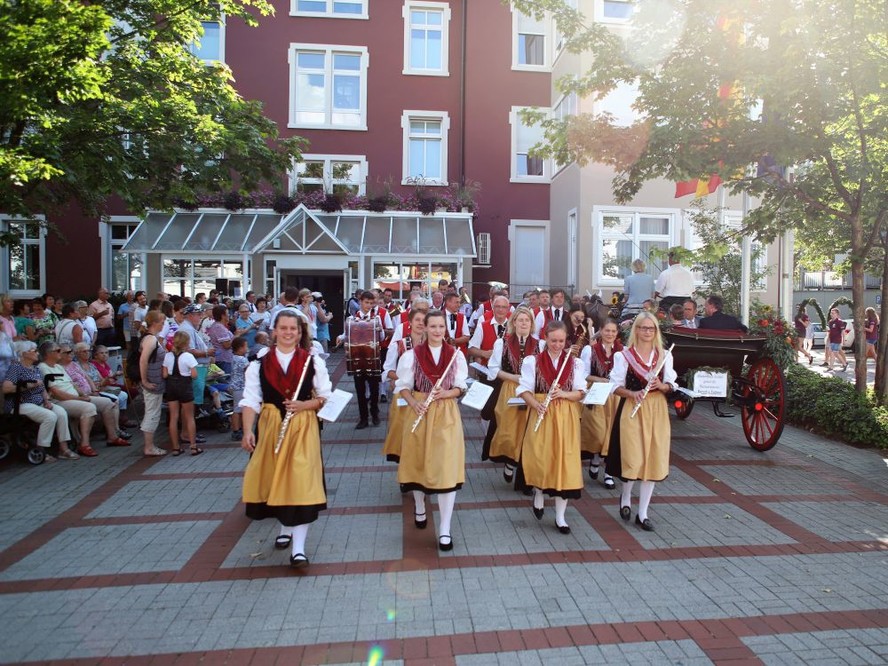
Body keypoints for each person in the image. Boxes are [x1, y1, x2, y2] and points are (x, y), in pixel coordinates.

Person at [240, 310, 332, 568]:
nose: (289, 333)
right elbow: (250, 400)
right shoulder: (259, 364)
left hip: (302, 427)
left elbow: (326, 396)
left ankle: (299, 549)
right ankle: (285, 528)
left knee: (301, 481)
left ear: (300, 332)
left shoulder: (312, 362)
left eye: (294, 329)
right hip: (270, 427)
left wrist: (305, 405)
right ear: (275, 331)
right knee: (275, 478)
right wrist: (248, 430)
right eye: (284, 328)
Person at [396, 310, 469, 552]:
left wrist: (447, 393)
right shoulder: (411, 356)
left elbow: (460, 386)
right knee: (419, 463)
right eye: (433, 326)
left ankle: (445, 528)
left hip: (446, 414)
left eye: (441, 326)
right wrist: (413, 402)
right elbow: (403, 386)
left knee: (445, 468)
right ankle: (419, 506)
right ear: (424, 328)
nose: (437, 330)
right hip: (420, 412)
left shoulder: (456, 355)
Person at [607, 312, 677, 531]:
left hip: (656, 410)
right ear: (636, 330)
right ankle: (626, 496)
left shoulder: (665, 355)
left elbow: (671, 384)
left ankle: (643, 513)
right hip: (633, 410)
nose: (647, 332)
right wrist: (631, 394)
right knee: (633, 458)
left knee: (652, 460)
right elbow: (614, 386)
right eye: (643, 328)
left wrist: (663, 386)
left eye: (651, 328)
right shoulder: (624, 356)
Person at [517, 320, 587, 534]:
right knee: (540, 457)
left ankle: (560, 516)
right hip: (542, 413)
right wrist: (535, 404)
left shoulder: (575, 363)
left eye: (561, 341)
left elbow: (581, 392)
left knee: (563, 463)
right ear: (545, 338)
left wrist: (564, 394)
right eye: (553, 340)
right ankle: (538, 491)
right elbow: (524, 390)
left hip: (565, 416)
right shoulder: (532, 361)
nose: (557, 345)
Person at [486, 307, 538, 484]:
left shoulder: (541, 344)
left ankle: (525, 473)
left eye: (527, 320)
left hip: (531, 392)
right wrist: (513, 377)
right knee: (508, 429)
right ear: (513, 322)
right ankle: (509, 460)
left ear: (531, 324)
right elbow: (493, 369)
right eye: (520, 320)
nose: (524, 323)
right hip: (509, 389)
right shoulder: (502, 343)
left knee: (528, 430)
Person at [4, 341, 79, 461]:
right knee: (49, 416)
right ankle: (42, 450)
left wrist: (46, 400)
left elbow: (42, 387)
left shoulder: (35, 368)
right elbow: (6, 388)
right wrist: (28, 386)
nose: (37, 353)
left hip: (38, 402)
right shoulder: (16, 368)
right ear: (24, 353)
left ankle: (63, 448)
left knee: (60, 412)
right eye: (34, 351)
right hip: (21, 404)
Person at [38, 342, 102, 457]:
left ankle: (113, 435)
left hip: (75, 398)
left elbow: (73, 384)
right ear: (48, 354)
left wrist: (83, 395)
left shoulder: (58, 366)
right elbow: (55, 392)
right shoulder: (42, 368)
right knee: (89, 408)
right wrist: (80, 398)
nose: (61, 353)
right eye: (58, 351)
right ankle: (84, 444)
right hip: (61, 401)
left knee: (108, 403)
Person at [580, 318, 622, 489]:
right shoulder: (590, 350)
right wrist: (601, 379)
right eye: (607, 331)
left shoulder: (622, 351)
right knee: (597, 430)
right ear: (601, 331)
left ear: (617, 333)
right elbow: (583, 374)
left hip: (614, 395)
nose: (610, 334)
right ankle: (596, 457)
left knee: (612, 433)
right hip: (596, 392)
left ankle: (608, 473)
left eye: (613, 331)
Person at [382, 307, 426, 464]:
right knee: (403, 434)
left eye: (424, 320)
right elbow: (387, 371)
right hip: (404, 397)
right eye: (417, 320)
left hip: (424, 397)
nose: (421, 323)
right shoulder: (398, 345)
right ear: (410, 323)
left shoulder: (433, 345)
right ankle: (405, 473)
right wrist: (405, 378)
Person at [63, 342, 130, 444]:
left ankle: (113, 434)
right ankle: (86, 441)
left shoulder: (75, 365)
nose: (87, 353)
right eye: (84, 351)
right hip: (80, 396)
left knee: (111, 401)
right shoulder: (63, 367)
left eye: (88, 351)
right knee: (112, 401)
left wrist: (95, 390)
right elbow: (72, 385)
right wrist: (84, 394)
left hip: (93, 391)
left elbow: (88, 378)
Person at [163, 331, 201, 456]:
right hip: (184, 385)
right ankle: (193, 446)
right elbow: (195, 375)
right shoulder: (188, 356)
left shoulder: (168, 356)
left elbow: (164, 374)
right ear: (186, 343)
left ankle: (175, 447)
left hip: (171, 386)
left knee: (173, 417)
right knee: (189, 416)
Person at [137, 311, 168, 457]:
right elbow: (143, 360)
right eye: (162, 322)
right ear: (155, 323)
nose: (163, 325)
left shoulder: (151, 338)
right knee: (152, 413)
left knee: (153, 411)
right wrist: (145, 381)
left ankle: (150, 445)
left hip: (156, 381)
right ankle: (149, 447)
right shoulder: (150, 339)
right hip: (152, 382)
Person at [229, 337, 249, 440]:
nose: (247, 348)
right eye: (246, 346)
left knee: (240, 408)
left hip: (236, 385)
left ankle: (239, 428)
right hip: (240, 386)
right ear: (240, 348)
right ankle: (236, 429)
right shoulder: (242, 359)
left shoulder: (234, 357)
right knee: (237, 409)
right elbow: (247, 371)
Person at [206, 305, 234, 374]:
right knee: (226, 380)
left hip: (225, 359)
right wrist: (237, 336)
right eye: (227, 313)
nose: (229, 315)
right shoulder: (219, 327)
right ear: (223, 316)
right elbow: (226, 345)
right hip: (223, 360)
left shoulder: (219, 326)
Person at [825, 307, 848, 372]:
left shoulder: (839, 322)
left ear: (837, 314)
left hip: (837, 340)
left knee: (835, 353)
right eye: (831, 313)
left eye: (833, 313)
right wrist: (828, 339)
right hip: (832, 340)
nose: (831, 314)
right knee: (832, 353)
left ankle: (844, 364)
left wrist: (844, 340)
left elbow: (843, 331)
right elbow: (830, 331)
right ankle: (831, 367)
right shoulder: (830, 322)